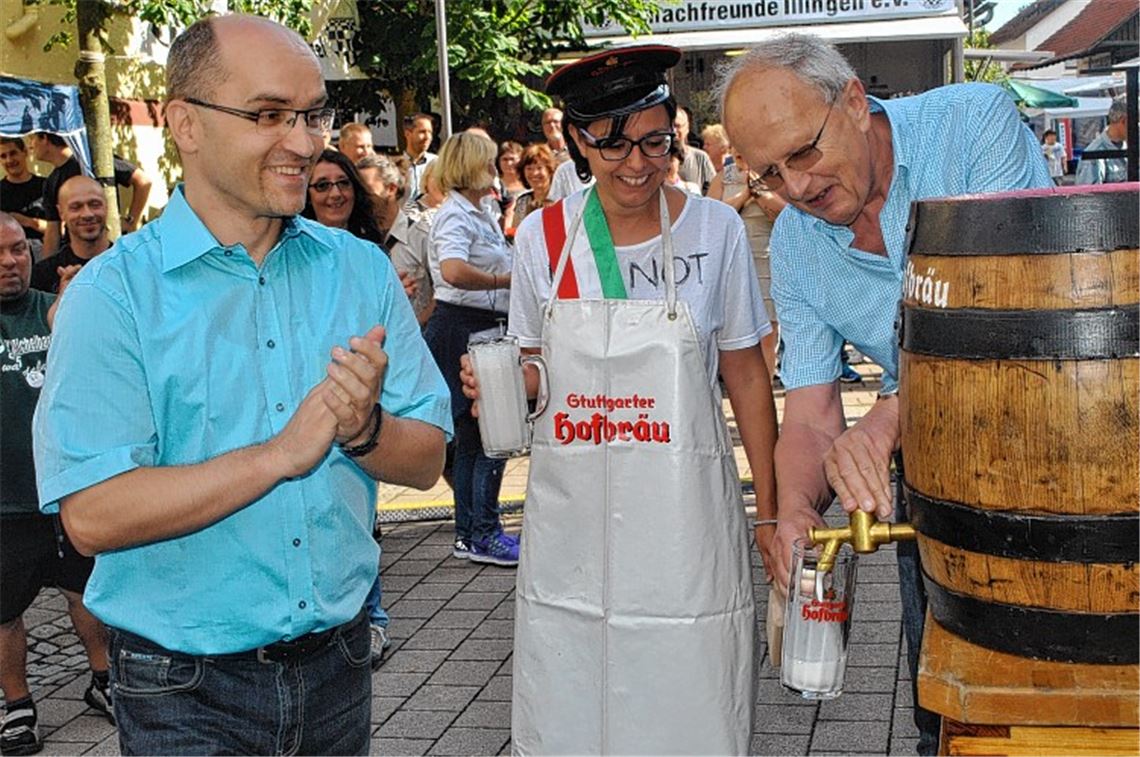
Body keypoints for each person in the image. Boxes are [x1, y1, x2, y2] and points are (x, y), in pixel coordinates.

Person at [32, 16, 451, 755]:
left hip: (340, 666)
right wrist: (279, 455)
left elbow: (426, 462)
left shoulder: (357, 270)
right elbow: (91, 514)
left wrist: (364, 431)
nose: (303, 141)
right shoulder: (114, 297)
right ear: (184, 124)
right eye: (268, 115)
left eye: (312, 114)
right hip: (181, 688)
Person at [719, 33, 1052, 755]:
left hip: (1060, 441)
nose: (797, 189)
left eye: (803, 153)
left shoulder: (975, 126)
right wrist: (794, 508)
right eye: (770, 174)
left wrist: (884, 422)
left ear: (854, 101)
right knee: (945, 705)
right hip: (940, 479)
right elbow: (809, 412)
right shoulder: (801, 244)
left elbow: (1002, 312)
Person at [462, 44, 777, 754]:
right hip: (578, 519)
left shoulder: (713, 229)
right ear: (576, 139)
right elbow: (536, 364)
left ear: (674, 130)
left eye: (654, 141)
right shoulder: (545, 237)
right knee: (578, 689)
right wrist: (508, 383)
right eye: (612, 145)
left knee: (692, 686)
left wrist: (773, 507)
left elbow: (746, 373)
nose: (637, 164)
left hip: (683, 513)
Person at [0, 214, 109, 757]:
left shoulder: (53, 307)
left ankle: (104, 678)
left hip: (66, 492)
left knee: (86, 593)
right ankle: (18, 706)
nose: (10, 262)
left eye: (19, 250)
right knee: (3, 611)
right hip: (5, 502)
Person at [423, 131, 517, 567]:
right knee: (483, 436)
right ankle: (481, 531)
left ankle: (475, 530)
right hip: (464, 326)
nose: (495, 170)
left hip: (476, 324)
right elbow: (454, 270)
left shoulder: (478, 211)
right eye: (489, 162)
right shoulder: (456, 216)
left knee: (478, 438)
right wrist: (503, 280)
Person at [707, 150, 785, 379]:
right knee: (736, 330)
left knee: (768, 332)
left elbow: (790, 212)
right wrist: (743, 196)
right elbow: (712, 216)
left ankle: (767, 389)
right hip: (731, 261)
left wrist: (760, 194)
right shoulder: (723, 177)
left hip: (766, 261)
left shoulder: (774, 174)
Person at [28, 134, 151, 255]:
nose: (30, 146)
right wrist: (46, 269)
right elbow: (52, 230)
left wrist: (132, 222)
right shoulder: (51, 182)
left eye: (32, 139)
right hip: (75, 256)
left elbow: (143, 181)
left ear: (44, 138)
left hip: (109, 250)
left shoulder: (92, 160)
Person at [30, 175, 112, 294]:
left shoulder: (129, 266)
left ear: (106, 207)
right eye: (76, 207)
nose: (87, 214)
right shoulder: (44, 275)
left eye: (94, 204)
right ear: (61, 212)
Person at [395, 159, 444, 326]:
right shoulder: (411, 211)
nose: (442, 183)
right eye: (437, 177)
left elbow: (442, 284)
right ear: (427, 179)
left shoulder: (456, 214)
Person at [301, 148, 383, 244]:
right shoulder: (293, 251)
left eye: (343, 183)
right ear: (307, 195)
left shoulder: (373, 247)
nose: (335, 194)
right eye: (322, 185)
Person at [0, 138, 47, 253]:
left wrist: (28, 222)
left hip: (44, 253)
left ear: (25, 152)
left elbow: (62, 228)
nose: (9, 160)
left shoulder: (46, 186)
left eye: (13, 153)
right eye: (3, 156)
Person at [1075, 96, 1129, 185]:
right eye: (1137, 122)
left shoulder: (1131, 147)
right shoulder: (1094, 154)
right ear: (1123, 121)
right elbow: (1088, 195)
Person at [509, 143, 557, 229]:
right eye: (529, 168)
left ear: (549, 170)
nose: (534, 173)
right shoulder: (522, 202)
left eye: (539, 168)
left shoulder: (560, 199)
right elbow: (516, 233)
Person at [673, 105, 717, 194]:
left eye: (677, 126)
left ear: (687, 128)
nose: (674, 131)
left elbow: (713, 190)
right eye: (670, 125)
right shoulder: (656, 158)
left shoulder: (700, 158)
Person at [402, 113, 437, 207]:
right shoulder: (396, 165)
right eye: (422, 132)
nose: (427, 137)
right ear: (407, 133)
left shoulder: (437, 164)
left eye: (430, 132)